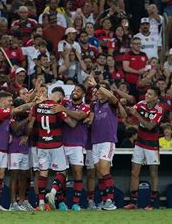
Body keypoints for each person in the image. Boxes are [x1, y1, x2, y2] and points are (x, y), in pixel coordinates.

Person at [25, 86, 78, 211]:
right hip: (56, 144)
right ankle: (53, 193)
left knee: (43, 173)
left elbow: (31, 125)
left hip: (41, 144)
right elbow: (71, 123)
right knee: (62, 172)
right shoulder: (56, 107)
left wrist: (26, 135)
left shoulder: (36, 107)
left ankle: (41, 203)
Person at [0, 91, 34, 211]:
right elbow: (18, 109)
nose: (11, 103)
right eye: (9, 101)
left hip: (4, 148)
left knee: (0, 175)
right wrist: (33, 103)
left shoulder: (5, 114)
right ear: (2, 101)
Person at [88, 77, 126, 210]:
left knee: (104, 169)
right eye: (97, 90)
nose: (98, 92)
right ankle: (104, 201)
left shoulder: (111, 103)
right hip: (95, 142)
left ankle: (110, 200)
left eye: (100, 90)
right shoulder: (94, 105)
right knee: (99, 172)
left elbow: (112, 96)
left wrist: (97, 85)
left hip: (107, 141)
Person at [124, 86, 163, 211]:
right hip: (139, 143)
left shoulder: (159, 109)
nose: (147, 95)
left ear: (156, 97)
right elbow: (130, 112)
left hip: (152, 145)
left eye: (150, 94)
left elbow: (150, 126)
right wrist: (125, 107)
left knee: (153, 174)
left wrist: (137, 116)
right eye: (147, 93)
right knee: (134, 173)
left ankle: (152, 203)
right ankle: (133, 202)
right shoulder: (141, 104)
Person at [52, 84, 90, 211]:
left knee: (77, 172)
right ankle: (61, 202)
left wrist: (63, 109)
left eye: (79, 90)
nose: (76, 91)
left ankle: (75, 203)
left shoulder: (86, 107)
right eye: (74, 89)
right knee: (62, 173)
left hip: (77, 144)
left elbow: (79, 116)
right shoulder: (65, 102)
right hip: (62, 143)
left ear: (83, 94)